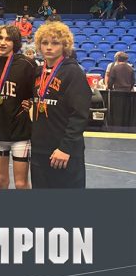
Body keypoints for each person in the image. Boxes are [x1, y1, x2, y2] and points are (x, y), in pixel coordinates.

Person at [31, 22, 91, 188]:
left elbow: (79, 115)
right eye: (45, 43)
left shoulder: (73, 72)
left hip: (64, 151)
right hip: (39, 150)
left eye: (55, 43)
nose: (49, 47)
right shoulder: (38, 72)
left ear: (65, 46)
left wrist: (66, 148)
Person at [0, 25, 35, 190]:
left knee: (21, 183)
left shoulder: (27, 64)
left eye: (8, 39)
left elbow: (38, 91)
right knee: (0, 181)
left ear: (15, 43)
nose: (2, 42)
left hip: (20, 133)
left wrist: (31, 102)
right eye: (0, 38)